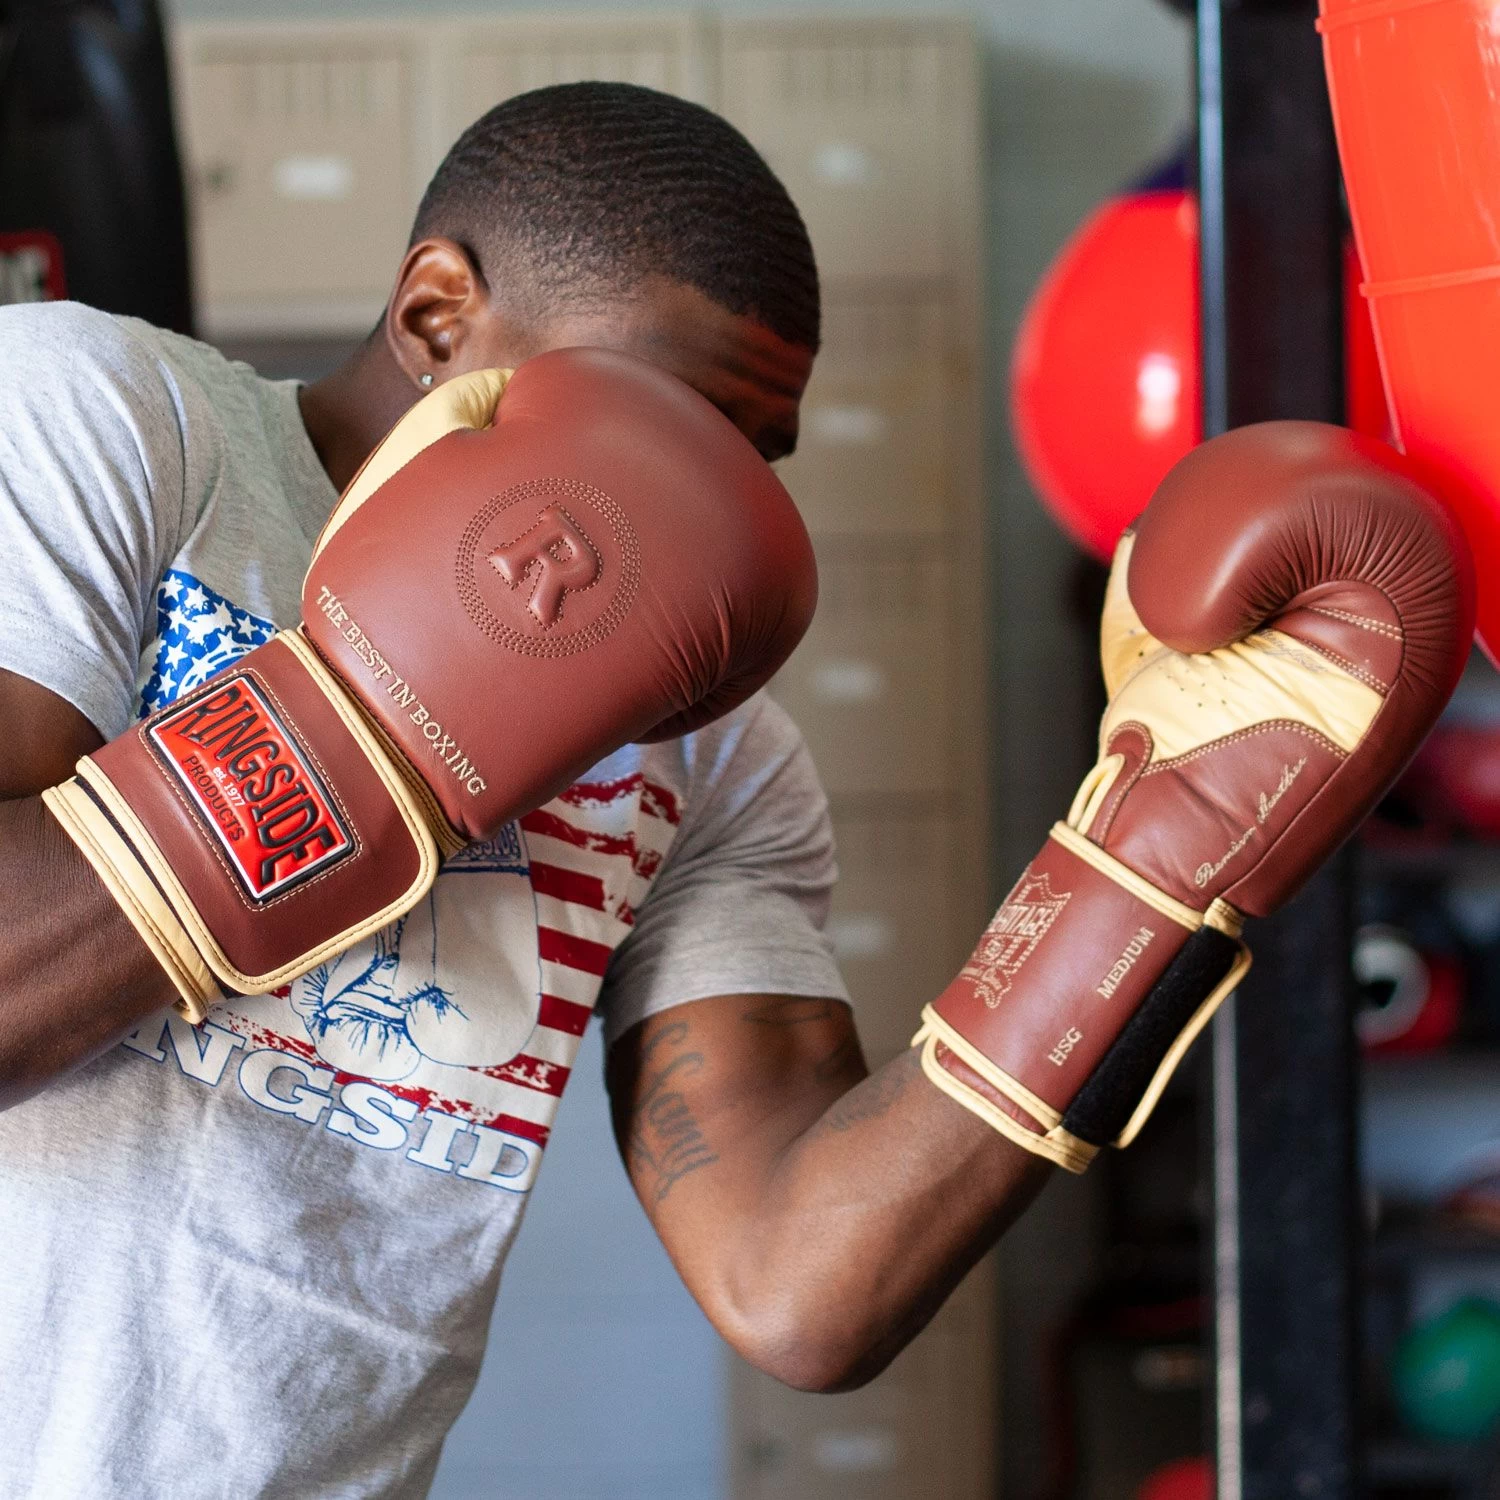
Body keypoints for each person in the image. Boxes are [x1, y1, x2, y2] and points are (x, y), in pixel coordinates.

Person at [0, 78, 1473, 1500]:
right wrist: (384, 724)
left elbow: (799, 1290)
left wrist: (1147, 871)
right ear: (440, 315)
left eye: (749, 460)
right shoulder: (108, 424)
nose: (697, 497)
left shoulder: (716, 759)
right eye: (654, 418)